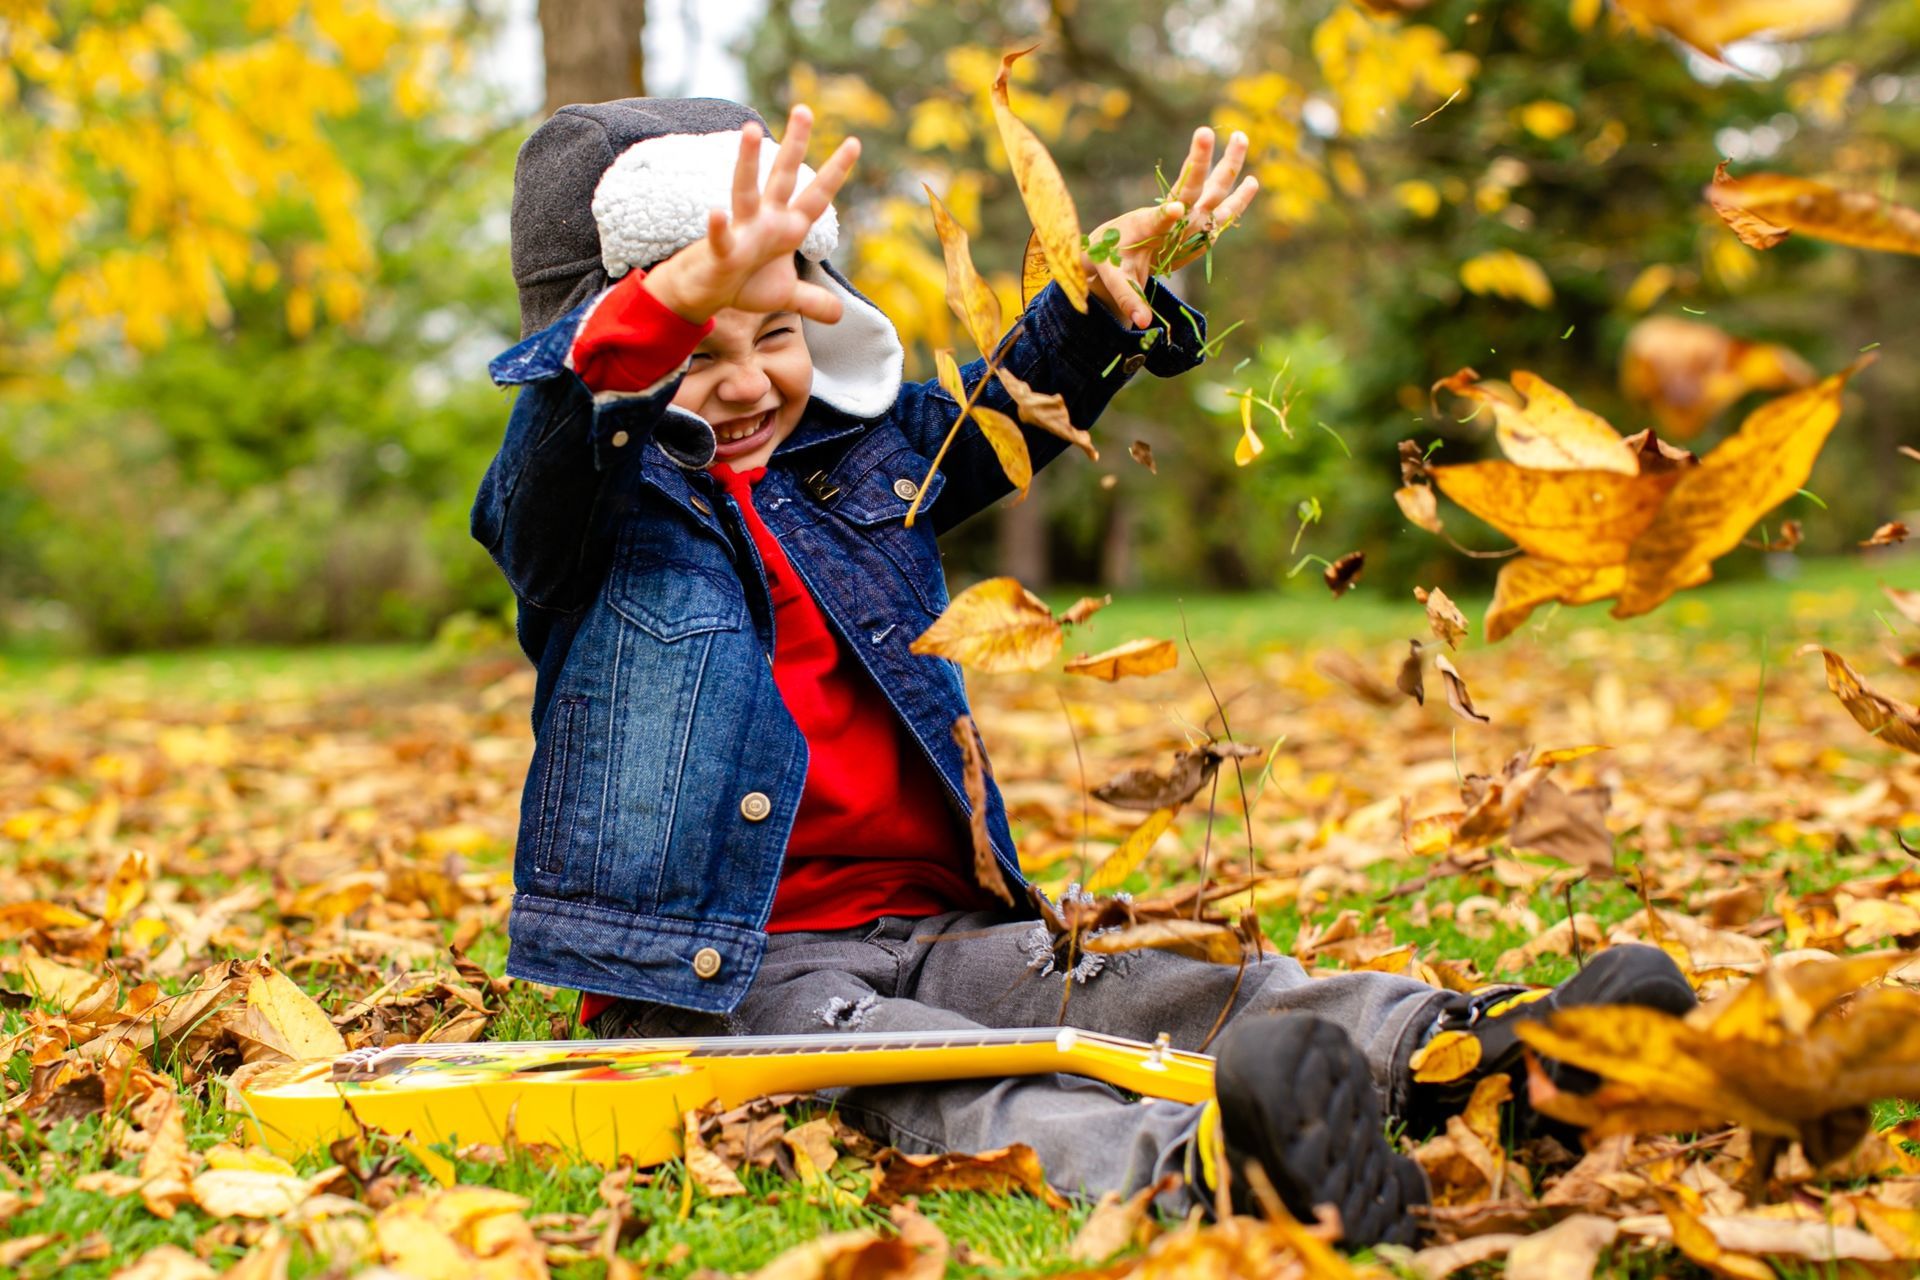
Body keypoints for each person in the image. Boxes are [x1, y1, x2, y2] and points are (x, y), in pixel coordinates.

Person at [472, 96, 1695, 1246]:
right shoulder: (591, 514)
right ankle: (1211, 1167)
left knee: (1126, 988)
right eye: (697, 346)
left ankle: (1473, 1058)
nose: (745, 380)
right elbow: (553, 452)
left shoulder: (855, 461)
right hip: (724, 968)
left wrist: (1101, 300)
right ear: (625, 345)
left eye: (778, 331)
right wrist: (654, 318)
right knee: (952, 1073)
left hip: (940, 916)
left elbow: (1000, 407)